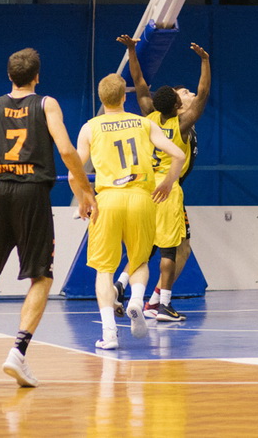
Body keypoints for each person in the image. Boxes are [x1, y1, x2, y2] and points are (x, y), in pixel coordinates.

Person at [0, 47, 94, 388]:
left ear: (10, 76)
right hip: (32, 194)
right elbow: (68, 151)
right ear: (37, 76)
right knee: (41, 278)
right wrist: (86, 191)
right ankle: (17, 353)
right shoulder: (46, 104)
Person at [76, 73, 185, 349]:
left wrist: (84, 199)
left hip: (107, 200)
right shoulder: (143, 123)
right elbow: (179, 155)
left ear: (102, 99)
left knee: (104, 269)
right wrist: (169, 183)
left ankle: (110, 334)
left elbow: (74, 170)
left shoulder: (90, 127)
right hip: (141, 197)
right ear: (124, 97)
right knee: (139, 260)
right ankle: (137, 301)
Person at [115, 34, 210, 322]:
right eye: (184, 93)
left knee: (151, 245)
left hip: (144, 189)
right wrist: (205, 61)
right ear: (178, 105)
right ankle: (161, 303)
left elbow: (141, 84)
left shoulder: (149, 115)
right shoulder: (182, 123)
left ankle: (123, 284)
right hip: (168, 189)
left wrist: (133, 51)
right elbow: (204, 93)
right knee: (171, 248)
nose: (189, 94)